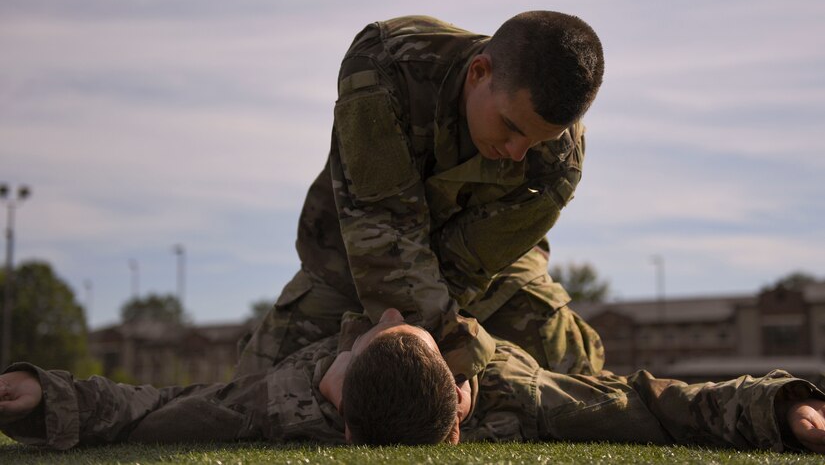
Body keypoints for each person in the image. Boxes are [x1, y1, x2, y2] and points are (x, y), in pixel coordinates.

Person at [237, 12, 606, 382]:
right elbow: (383, 232)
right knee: (258, 390)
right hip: (353, 259)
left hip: (489, 277)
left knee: (574, 380)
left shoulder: (560, 161)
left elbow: (466, 267)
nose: (516, 152)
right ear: (479, 73)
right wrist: (448, 362)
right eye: (510, 127)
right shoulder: (386, 65)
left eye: (537, 140)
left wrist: (455, 366)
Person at [3, 309, 825, 453]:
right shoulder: (286, 386)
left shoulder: (503, 381)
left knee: (569, 341)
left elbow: (648, 397)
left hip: (464, 304)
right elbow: (654, 408)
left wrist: (780, 403)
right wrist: (781, 409)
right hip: (335, 296)